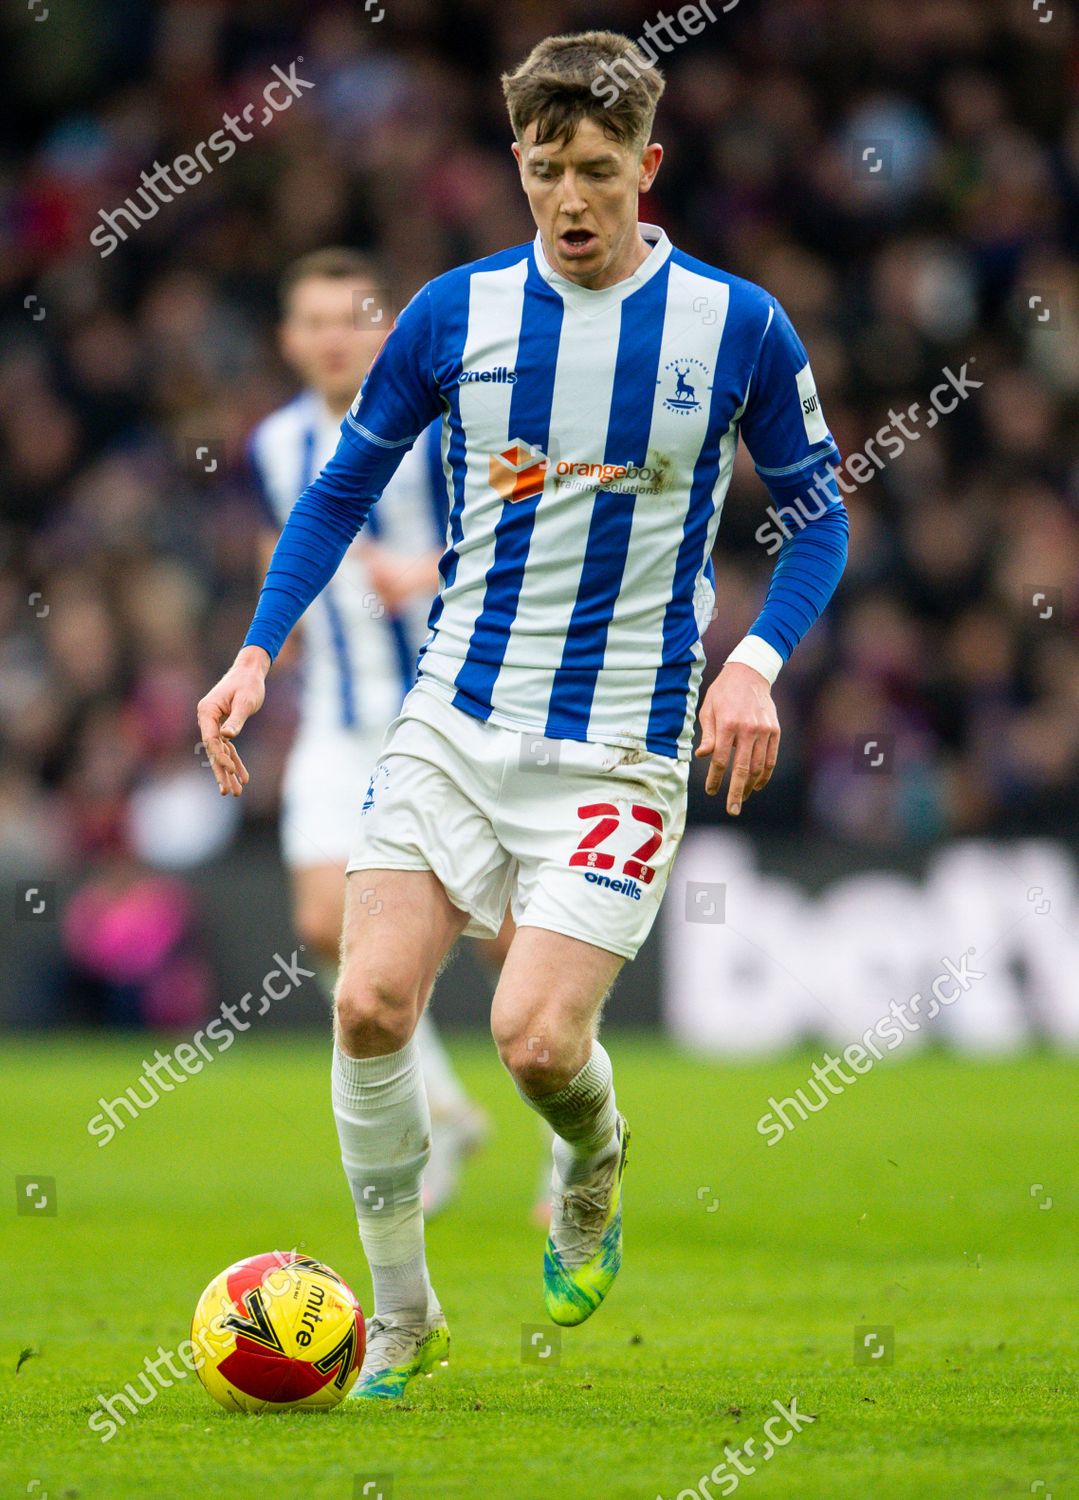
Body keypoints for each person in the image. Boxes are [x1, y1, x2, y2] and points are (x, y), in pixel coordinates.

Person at [198, 30, 848, 1401]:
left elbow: (815, 522)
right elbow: (331, 494)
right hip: (452, 718)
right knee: (369, 1001)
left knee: (536, 1045)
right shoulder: (450, 314)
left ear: (646, 168)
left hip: (618, 740)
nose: (568, 198)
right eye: (544, 169)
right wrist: (258, 649)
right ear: (515, 163)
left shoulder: (734, 325)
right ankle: (401, 1318)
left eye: (597, 172)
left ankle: (593, 1157)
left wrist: (756, 662)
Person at [247, 247, 491, 1214]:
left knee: (503, 943)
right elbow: (290, 537)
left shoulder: (437, 425)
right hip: (340, 719)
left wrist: (423, 567)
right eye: (312, 321)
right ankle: (438, 1103)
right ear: (288, 340)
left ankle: (576, 1151)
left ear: (384, 329)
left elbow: (517, 521)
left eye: (351, 317)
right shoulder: (273, 444)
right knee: (320, 922)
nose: (332, 336)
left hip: (447, 711)